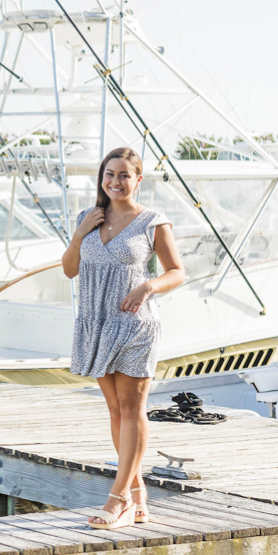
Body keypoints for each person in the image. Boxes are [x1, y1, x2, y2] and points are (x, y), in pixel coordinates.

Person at [61, 147, 185, 529]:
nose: (116, 181)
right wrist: (81, 234)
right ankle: (138, 494)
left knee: (132, 410)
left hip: (135, 325)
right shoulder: (88, 218)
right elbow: (69, 270)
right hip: (96, 324)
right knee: (116, 412)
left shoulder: (151, 222)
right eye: (109, 174)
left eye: (124, 175)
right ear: (102, 178)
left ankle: (117, 501)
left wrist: (148, 286)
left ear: (138, 179)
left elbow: (177, 271)